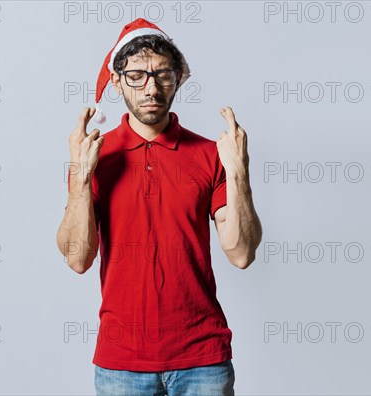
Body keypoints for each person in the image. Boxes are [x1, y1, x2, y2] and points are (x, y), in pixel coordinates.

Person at [57, 18, 262, 396]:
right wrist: (81, 178)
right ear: (117, 81)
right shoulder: (94, 156)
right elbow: (77, 258)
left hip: (203, 359)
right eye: (136, 75)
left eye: (163, 74)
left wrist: (238, 174)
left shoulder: (208, 155)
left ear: (179, 78)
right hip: (122, 364)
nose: (151, 87)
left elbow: (242, 253)